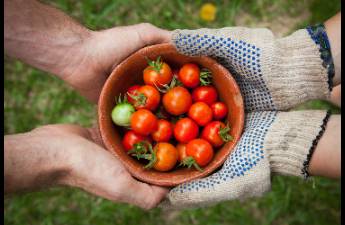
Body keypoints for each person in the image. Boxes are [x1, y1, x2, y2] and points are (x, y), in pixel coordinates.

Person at [4, 0, 340, 210]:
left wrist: (300, 62)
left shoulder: (166, 106)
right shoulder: (165, 117)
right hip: (192, 124)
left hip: (194, 119)